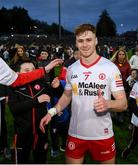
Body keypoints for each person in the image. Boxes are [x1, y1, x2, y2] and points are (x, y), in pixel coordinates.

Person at [40, 23, 127, 164]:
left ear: (96, 40)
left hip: (102, 134)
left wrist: (108, 103)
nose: (85, 44)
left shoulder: (110, 68)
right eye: (80, 41)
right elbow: (67, 96)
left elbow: (123, 103)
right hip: (75, 133)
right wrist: (52, 112)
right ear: (76, 43)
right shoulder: (72, 69)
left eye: (89, 40)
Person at [7, 59, 61, 164]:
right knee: (22, 160)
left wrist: (57, 87)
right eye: (26, 70)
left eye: (33, 70)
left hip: (41, 132)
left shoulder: (42, 83)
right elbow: (14, 109)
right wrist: (36, 100)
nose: (31, 73)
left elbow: (56, 95)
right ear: (18, 73)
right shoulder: (14, 87)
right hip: (22, 133)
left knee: (40, 160)